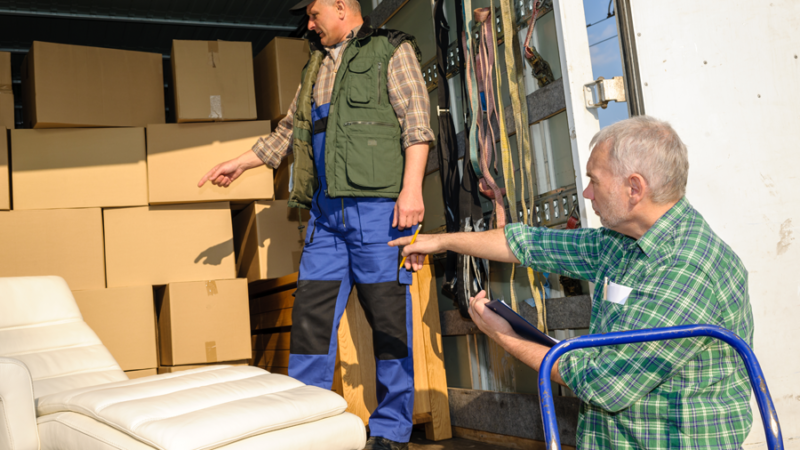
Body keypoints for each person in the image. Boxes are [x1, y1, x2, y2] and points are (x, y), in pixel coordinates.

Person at [391, 116, 755, 449]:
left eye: (594, 180)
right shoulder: (624, 242)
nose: (586, 194)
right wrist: (441, 242)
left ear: (634, 188)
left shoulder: (683, 270)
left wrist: (504, 334)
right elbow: (529, 244)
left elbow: (604, 384)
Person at [198, 0, 433, 448]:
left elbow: (417, 123)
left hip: (378, 213)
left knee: (388, 326)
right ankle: (306, 428)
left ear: (341, 6)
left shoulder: (390, 49)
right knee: (310, 323)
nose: (308, 24)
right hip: (326, 218)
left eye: (313, 13)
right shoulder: (316, 66)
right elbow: (288, 131)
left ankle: (391, 430)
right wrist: (241, 163)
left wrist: (412, 191)